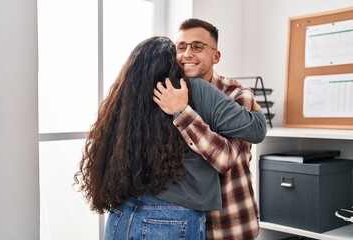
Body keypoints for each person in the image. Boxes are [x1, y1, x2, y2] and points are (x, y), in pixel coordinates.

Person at [74, 36, 266, 240]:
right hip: (173, 218)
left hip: (123, 212)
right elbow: (257, 130)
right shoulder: (197, 90)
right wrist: (256, 109)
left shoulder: (124, 99)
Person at [156, 18, 262, 240]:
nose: (187, 54)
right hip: (184, 223)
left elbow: (225, 159)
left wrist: (182, 112)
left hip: (230, 224)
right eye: (181, 47)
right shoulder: (169, 93)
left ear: (216, 56)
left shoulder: (236, 94)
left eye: (197, 47)